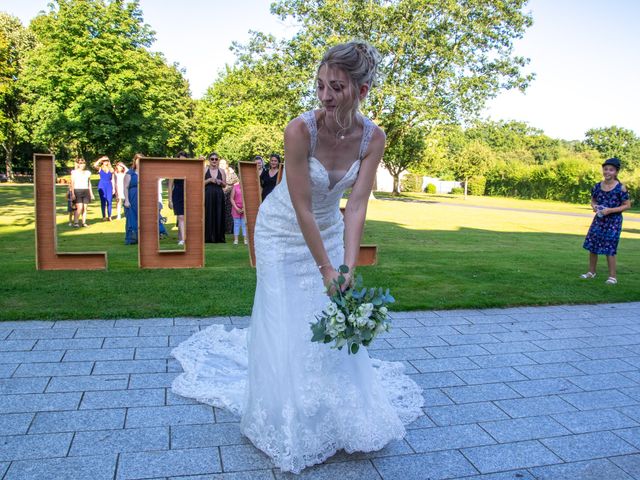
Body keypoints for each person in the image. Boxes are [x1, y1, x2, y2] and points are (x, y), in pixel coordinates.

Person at [171, 41, 423, 474]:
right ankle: (284, 417)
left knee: (325, 316)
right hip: (281, 231)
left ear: (362, 91)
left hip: (326, 229)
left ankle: (334, 411)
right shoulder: (299, 130)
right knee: (285, 317)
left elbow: (357, 205)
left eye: (337, 87)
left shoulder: (373, 138)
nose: (324, 96)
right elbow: (302, 205)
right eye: (321, 85)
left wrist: (346, 266)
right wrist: (326, 266)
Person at [581, 157, 631, 285]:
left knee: (610, 248)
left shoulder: (621, 188)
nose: (607, 172)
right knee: (593, 245)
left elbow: (627, 205)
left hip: (613, 222)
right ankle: (591, 272)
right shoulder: (597, 186)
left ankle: (612, 277)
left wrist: (611, 210)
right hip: (599, 220)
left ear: (616, 172)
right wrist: (594, 207)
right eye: (605, 169)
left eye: (611, 170)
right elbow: (593, 200)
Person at [204, 152, 227, 243]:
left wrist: (220, 182)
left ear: (218, 160)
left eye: (216, 159)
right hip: (208, 194)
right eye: (212, 159)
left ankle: (219, 237)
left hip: (219, 195)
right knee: (208, 213)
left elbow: (225, 185)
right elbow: (200, 183)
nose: (214, 161)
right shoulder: (205, 170)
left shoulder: (221, 171)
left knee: (219, 214)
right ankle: (208, 237)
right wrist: (209, 180)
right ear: (209, 160)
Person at [168, 151, 188, 246]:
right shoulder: (173, 170)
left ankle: (182, 237)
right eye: (180, 160)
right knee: (180, 217)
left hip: (188, 194)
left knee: (185, 218)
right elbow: (170, 186)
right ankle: (182, 239)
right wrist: (169, 200)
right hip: (177, 194)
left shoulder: (189, 170)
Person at [69, 158, 93, 227]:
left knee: (85, 208)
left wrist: (91, 193)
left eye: (83, 163)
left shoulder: (87, 173)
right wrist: (73, 193)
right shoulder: (74, 172)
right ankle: (76, 222)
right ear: (78, 164)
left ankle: (83, 222)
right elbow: (72, 183)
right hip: (77, 190)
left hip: (85, 190)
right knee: (79, 207)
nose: (82, 165)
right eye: (80, 163)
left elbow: (89, 183)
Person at [123, 154, 141, 244]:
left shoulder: (146, 173)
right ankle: (132, 238)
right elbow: (125, 187)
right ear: (135, 161)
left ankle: (142, 238)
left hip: (143, 198)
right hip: (132, 198)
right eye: (138, 160)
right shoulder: (130, 173)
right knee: (132, 217)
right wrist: (126, 200)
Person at [93, 156, 115, 221]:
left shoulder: (111, 169)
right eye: (104, 161)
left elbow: (113, 180)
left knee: (109, 201)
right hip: (102, 185)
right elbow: (94, 165)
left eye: (107, 161)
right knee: (103, 201)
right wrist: (100, 159)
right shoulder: (100, 168)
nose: (106, 162)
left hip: (109, 185)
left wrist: (114, 188)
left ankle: (109, 216)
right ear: (102, 162)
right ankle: (104, 216)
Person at [230, 178, 247, 245]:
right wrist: (237, 208)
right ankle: (236, 240)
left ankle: (245, 240)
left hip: (245, 208)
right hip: (235, 208)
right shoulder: (235, 187)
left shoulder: (247, 188)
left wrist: (244, 208)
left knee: (244, 224)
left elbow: (248, 198)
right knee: (236, 224)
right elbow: (231, 198)